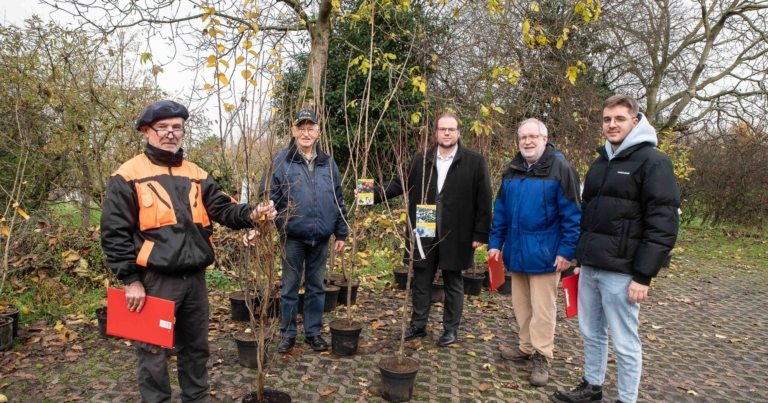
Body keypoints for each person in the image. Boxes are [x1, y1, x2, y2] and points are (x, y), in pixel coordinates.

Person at [101, 100, 276, 403]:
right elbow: (114, 233)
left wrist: (252, 213)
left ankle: (197, 398)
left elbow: (223, 208)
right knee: (154, 351)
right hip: (155, 280)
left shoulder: (196, 173)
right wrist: (130, 280)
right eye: (163, 128)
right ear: (147, 131)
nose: (170, 134)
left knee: (196, 348)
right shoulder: (128, 175)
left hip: (194, 280)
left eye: (177, 128)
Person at [551, 95, 680, 403]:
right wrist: (581, 258)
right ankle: (592, 387)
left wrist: (643, 276)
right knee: (591, 332)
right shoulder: (601, 162)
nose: (612, 125)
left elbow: (663, 223)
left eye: (619, 119)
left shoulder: (654, 162)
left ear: (636, 121)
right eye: (607, 119)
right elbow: (588, 215)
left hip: (623, 273)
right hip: (591, 268)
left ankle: (626, 399)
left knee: (625, 342)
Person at [371, 112, 493, 347]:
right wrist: (367, 193)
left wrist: (480, 234)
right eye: (442, 129)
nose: (446, 133)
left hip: (456, 229)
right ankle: (418, 326)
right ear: (435, 133)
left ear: (458, 132)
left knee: (453, 281)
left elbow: (484, 199)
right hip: (425, 223)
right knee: (421, 278)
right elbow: (398, 184)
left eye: (451, 129)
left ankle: (450, 329)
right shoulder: (421, 159)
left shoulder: (474, 161)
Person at [488, 118, 581, 386]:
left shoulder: (560, 168)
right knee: (521, 304)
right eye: (522, 138)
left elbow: (572, 214)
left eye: (532, 137)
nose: (527, 142)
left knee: (543, 308)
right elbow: (501, 210)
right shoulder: (512, 169)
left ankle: (542, 354)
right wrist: (496, 242)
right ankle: (526, 346)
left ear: (544, 138)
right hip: (517, 251)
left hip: (545, 253)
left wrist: (566, 251)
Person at [260, 109, 348, 353]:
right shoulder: (281, 161)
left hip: (321, 237)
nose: (306, 133)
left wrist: (341, 232)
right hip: (293, 237)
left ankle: (313, 332)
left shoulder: (328, 163)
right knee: (289, 287)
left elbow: (338, 197)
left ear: (318, 132)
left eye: (311, 128)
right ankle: (287, 333)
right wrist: (280, 220)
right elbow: (268, 196)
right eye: (301, 128)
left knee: (316, 287)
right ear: (293, 131)